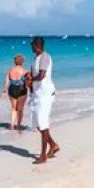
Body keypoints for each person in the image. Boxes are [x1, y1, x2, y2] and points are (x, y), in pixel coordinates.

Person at [26, 36, 59, 164]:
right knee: (38, 123)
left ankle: (43, 156)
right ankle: (53, 145)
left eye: (32, 45)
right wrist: (29, 80)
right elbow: (35, 75)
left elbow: (42, 75)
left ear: (36, 45)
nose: (31, 47)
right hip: (38, 94)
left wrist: (31, 79)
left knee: (43, 124)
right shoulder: (36, 58)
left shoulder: (45, 57)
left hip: (45, 94)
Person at [3, 54, 29, 131]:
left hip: (12, 89)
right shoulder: (25, 71)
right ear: (22, 62)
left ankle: (12, 125)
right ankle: (18, 126)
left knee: (14, 108)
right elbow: (28, 82)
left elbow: (6, 81)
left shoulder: (10, 70)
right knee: (20, 109)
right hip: (21, 90)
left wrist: (4, 91)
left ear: (15, 62)